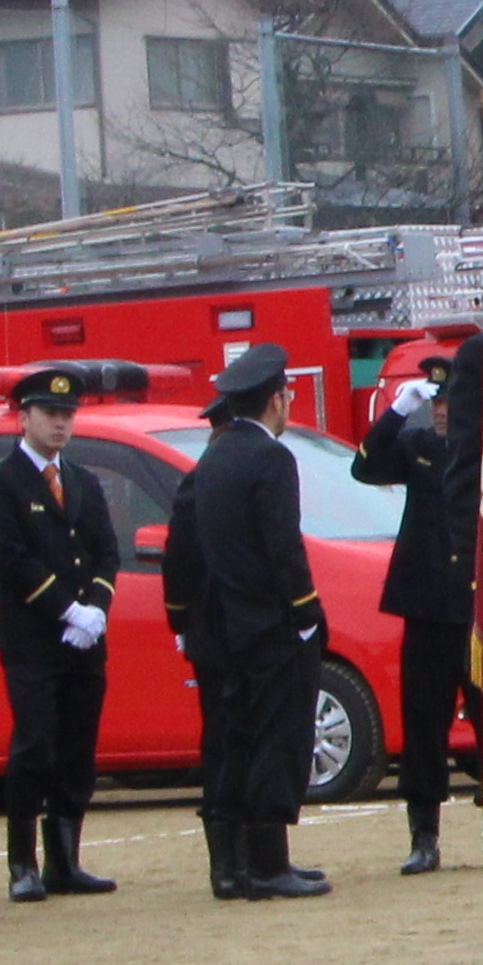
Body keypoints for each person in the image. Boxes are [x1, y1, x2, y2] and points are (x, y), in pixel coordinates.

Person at [174, 341, 331, 901]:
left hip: (227, 625)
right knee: (277, 739)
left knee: (235, 738)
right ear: (274, 401)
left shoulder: (214, 457)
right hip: (269, 624)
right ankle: (268, 863)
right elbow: (282, 547)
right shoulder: (270, 458)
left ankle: (238, 865)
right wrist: (306, 610)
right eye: (286, 396)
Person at [353, 328, 483, 873]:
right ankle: (424, 835)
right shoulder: (416, 447)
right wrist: (396, 412)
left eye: (450, 403)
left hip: (477, 608)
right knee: (423, 725)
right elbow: (365, 467)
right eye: (436, 404)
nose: (442, 413)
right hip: (425, 606)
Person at [0, 365, 121, 900]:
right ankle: (22, 863)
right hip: (34, 638)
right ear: (23, 418)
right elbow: (13, 560)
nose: (60, 424)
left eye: (67, 415)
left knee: (77, 748)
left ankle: (65, 857)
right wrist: (67, 610)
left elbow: (106, 549)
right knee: (34, 745)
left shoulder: (81, 479)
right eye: (49, 414)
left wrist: (97, 606)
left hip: (84, 639)